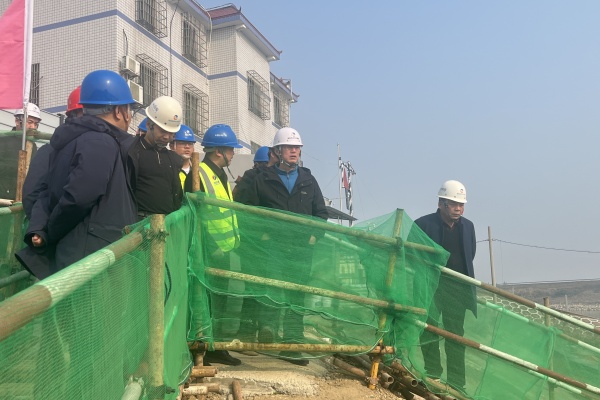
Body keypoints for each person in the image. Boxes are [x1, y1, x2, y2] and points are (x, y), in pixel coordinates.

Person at [16, 70, 138, 278]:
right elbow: (79, 198)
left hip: (81, 251)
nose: (130, 116)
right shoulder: (100, 141)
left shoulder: (69, 142)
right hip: (92, 258)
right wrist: (50, 231)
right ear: (119, 111)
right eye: (129, 109)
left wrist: (42, 228)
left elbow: (47, 192)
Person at [245, 127, 328, 366]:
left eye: (297, 148)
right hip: (272, 248)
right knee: (271, 290)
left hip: (301, 251)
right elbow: (247, 211)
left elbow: (321, 214)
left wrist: (314, 236)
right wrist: (261, 235)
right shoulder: (263, 179)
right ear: (277, 151)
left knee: (297, 297)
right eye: (289, 147)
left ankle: (292, 344)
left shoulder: (308, 181)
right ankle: (267, 333)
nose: (294, 151)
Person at [186, 124, 243, 366]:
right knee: (204, 301)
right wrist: (210, 245)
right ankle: (201, 349)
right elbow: (193, 215)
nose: (233, 154)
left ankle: (215, 347)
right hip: (208, 250)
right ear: (219, 151)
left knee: (220, 302)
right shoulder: (199, 174)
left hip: (224, 249)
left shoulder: (220, 175)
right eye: (230, 150)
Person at [415, 180, 476, 394]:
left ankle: (457, 383)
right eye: (454, 204)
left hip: (458, 291)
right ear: (441, 203)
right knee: (429, 329)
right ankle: (433, 374)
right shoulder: (423, 225)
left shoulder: (468, 227)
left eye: (461, 204)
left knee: (456, 336)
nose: (458, 208)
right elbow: (413, 255)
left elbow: (470, 255)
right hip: (430, 288)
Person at [22, 86, 83, 219]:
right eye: (30, 121)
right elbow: (32, 195)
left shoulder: (46, 150)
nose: (33, 126)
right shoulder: (49, 152)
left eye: (35, 123)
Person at [127, 96, 183, 220]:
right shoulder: (132, 152)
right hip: (140, 225)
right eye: (163, 131)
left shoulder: (173, 159)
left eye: (171, 133)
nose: (167, 137)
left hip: (168, 224)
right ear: (149, 125)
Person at [170, 124, 196, 190]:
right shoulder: (167, 170)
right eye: (182, 143)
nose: (187, 146)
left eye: (190, 143)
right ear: (172, 147)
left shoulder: (197, 170)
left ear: (193, 148)